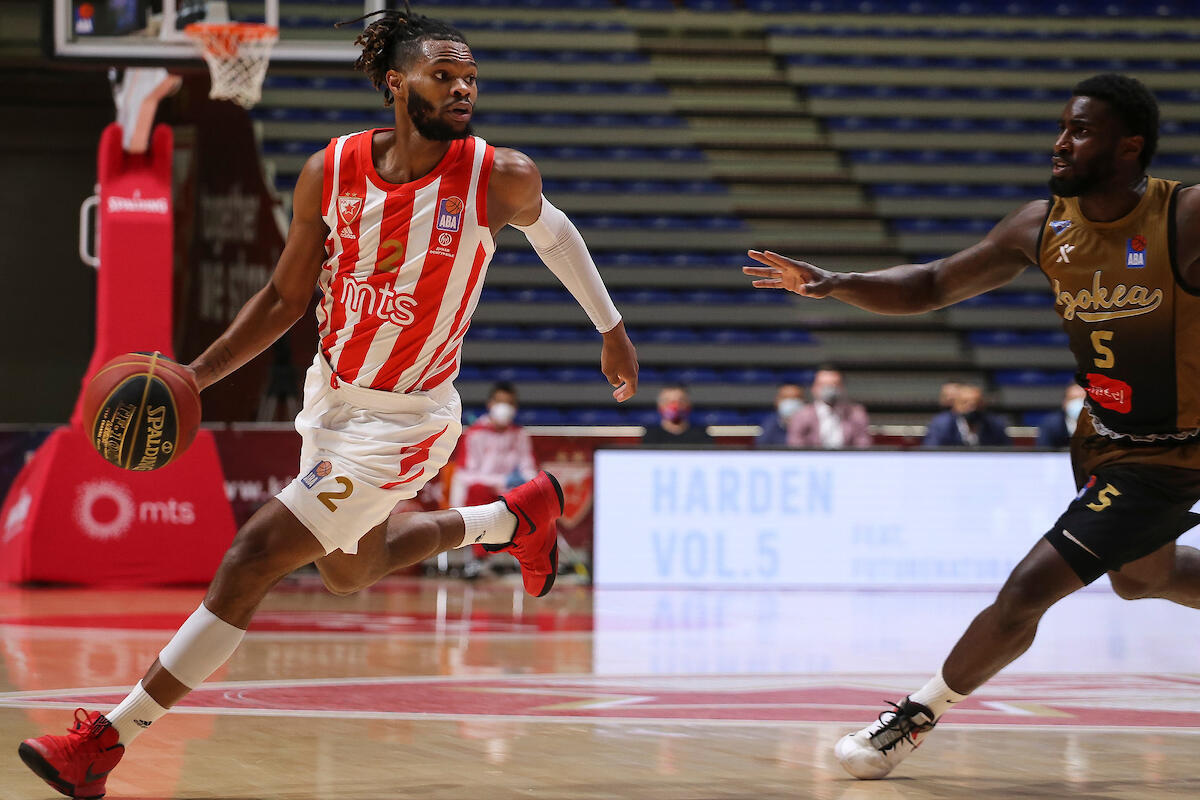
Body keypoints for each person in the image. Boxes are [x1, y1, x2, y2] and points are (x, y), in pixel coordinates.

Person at [18, 9, 639, 798]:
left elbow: (555, 234)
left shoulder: (498, 175)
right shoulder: (332, 169)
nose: (462, 89)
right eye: (443, 75)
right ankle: (514, 519)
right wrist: (194, 376)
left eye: (469, 78)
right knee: (351, 570)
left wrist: (611, 329)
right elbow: (284, 299)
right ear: (396, 83)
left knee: (251, 559)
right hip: (332, 398)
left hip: (406, 421)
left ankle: (104, 743)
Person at [744, 73, 1200, 781]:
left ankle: (912, 718)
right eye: (1061, 127)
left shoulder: (1184, 216)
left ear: (1129, 146)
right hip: (1105, 437)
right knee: (1143, 579)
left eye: (1080, 130)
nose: (1060, 142)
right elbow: (933, 283)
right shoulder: (1041, 226)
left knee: (1027, 592)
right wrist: (837, 283)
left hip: (1175, 449)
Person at [786, 367, 871, 448]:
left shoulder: (856, 414)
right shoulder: (801, 415)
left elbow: (863, 446)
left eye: (834, 385)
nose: (829, 390)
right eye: (823, 385)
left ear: (842, 388)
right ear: (814, 388)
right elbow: (795, 447)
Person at [923, 383, 1011, 448]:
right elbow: (931, 452)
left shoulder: (995, 425)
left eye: (977, 403)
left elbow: (1007, 453)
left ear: (983, 405)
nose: (972, 408)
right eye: (965, 403)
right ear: (955, 406)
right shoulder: (940, 425)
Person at [642, 384, 712, 445]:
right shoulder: (649, 438)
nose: (674, 406)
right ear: (659, 405)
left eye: (680, 401)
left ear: (689, 404)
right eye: (667, 401)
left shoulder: (702, 437)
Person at [1037, 383, 1088, 448]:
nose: (1078, 403)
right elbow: (1043, 450)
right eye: (1072, 399)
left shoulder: (1098, 424)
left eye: (1082, 399)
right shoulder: (1051, 424)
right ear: (1064, 403)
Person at [755, 381, 804, 447]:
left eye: (795, 398)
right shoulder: (769, 425)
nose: (790, 401)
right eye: (785, 397)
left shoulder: (811, 424)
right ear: (777, 401)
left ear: (803, 401)